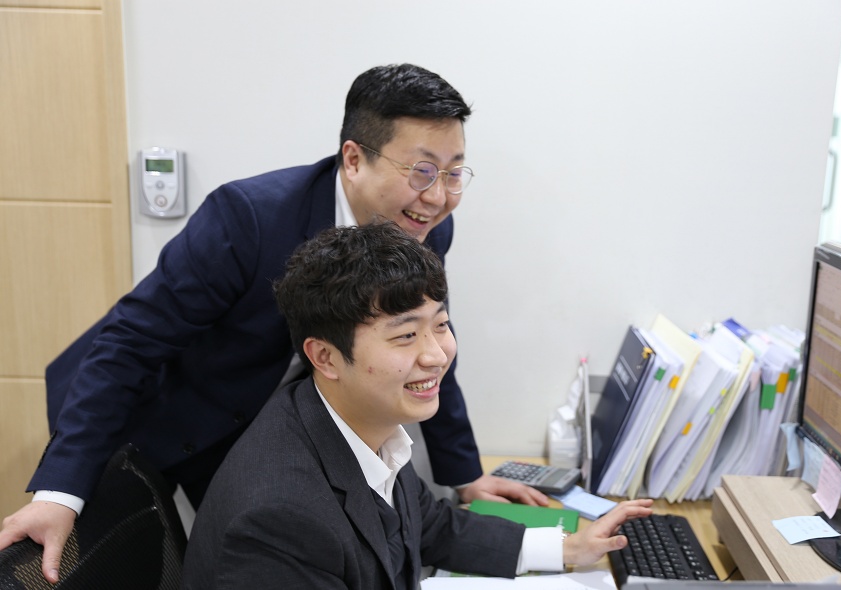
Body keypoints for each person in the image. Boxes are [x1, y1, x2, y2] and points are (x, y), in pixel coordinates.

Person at [0, 63, 547, 584]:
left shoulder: (422, 226)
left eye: (453, 173)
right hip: (163, 416)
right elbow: (130, 343)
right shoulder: (249, 217)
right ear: (354, 159)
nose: (439, 197)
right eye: (422, 171)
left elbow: (426, 340)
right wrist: (60, 491)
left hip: (273, 432)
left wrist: (465, 477)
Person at [180, 222, 653, 588]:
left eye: (440, 326)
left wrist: (568, 548)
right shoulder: (278, 519)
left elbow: (428, 526)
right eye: (406, 336)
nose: (436, 355)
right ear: (325, 356)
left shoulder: (363, 422)